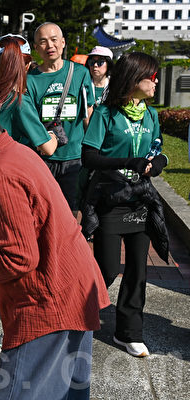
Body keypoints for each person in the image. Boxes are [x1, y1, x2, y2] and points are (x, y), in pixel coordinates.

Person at [0, 89, 110, 400]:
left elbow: (18, 257)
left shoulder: (2, 172)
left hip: (50, 296)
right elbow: (32, 225)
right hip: (74, 286)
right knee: (67, 391)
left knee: (18, 393)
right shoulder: (16, 152)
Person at [82, 52, 169, 357]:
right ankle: (77, 313)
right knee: (106, 269)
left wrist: (158, 162)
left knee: (138, 270)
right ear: (135, 79)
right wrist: (127, 161)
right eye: (152, 77)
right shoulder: (106, 114)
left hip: (140, 200)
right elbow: (89, 157)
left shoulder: (151, 115)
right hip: (110, 200)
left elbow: (158, 150)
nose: (155, 83)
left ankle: (128, 332)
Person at [27, 22, 95, 211]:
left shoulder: (80, 73)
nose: (50, 45)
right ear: (36, 48)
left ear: (63, 42)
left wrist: (93, 151)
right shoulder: (30, 79)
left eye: (54, 40)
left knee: (69, 211)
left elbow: (87, 113)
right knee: (42, 211)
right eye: (43, 41)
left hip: (74, 156)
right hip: (42, 158)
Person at [0, 34, 57, 156]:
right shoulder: (19, 101)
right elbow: (47, 148)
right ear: (27, 66)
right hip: (9, 169)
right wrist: (53, 135)